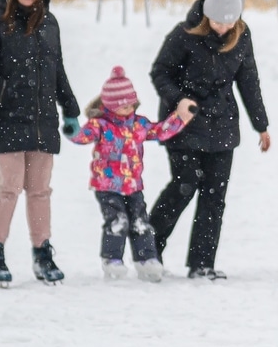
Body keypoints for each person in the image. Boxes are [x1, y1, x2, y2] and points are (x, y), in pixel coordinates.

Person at [148, 0, 271, 279]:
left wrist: (261, 125)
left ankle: (202, 264)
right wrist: (178, 100)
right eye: (217, 21)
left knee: (215, 196)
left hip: (222, 125)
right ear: (206, 15)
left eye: (229, 22)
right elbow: (160, 72)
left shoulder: (241, 36)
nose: (222, 28)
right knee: (184, 185)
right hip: (184, 124)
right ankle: (148, 249)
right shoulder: (184, 34)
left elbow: (248, 80)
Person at [0, 0, 80, 287]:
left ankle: (42, 252)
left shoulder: (50, 24)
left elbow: (57, 71)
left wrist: (71, 109)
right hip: (4, 120)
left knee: (40, 191)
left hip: (42, 121)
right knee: (8, 187)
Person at [71, 66, 195, 280]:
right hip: (107, 186)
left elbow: (160, 131)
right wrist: (70, 128)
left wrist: (180, 119)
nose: (128, 109)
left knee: (140, 222)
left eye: (130, 104)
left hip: (133, 186)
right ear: (109, 105)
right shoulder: (100, 125)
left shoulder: (139, 124)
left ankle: (146, 259)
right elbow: (82, 136)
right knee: (118, 221)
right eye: (122, 106)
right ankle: (112, 259)